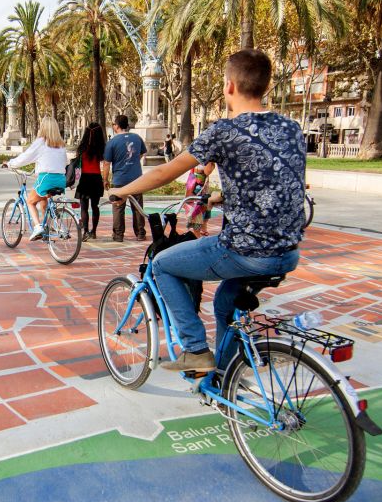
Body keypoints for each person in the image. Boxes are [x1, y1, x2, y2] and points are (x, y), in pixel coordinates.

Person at [108, 49, 305, 373]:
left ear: (229, 86)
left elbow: (163, 173)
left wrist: (120, 190)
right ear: (265, 86)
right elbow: (276, 182)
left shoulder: (225, 131)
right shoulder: (291, 128)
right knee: (225, 302)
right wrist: (223, 197)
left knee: (161, 266)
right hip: (287, 253)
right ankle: (227, 374)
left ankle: (196, 350)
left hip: (245, 251)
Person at [3, 116, 68, 241]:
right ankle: (51, 226)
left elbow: (25, 157)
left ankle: (38, 227)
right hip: (61, 179)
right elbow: (63, 162)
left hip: (46, 179)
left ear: (43, 128)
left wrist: (10, 163)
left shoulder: (41, 142)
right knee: (43, 201)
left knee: (30, 201)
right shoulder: (61, 145)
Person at [103, 114, 147, 242]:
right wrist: (133, 162)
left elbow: (106, 163)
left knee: (118, 207)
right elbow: (142, 153)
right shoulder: (137, 138)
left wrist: (105, 179)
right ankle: (140, 233)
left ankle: (118, 234)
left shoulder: (112, 142)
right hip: (137, 178)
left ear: (116, 126)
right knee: (137, 206)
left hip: (119, 179)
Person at [74, 122, 106, 241]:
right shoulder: (101, 148)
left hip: (84, 179)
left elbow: (77, 163)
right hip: (96, 179)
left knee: (84, 208)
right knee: (95, 207)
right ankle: (94, 232)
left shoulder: (82, 148)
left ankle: (86, 232)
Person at [184, 162, 215, 238]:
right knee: (197, 210)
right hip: (195, 186)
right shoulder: (199, 155)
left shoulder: (206, 158)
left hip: (199, 187)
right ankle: (198, 234)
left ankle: (201, 232)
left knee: (201, 209)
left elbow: (207, 171)